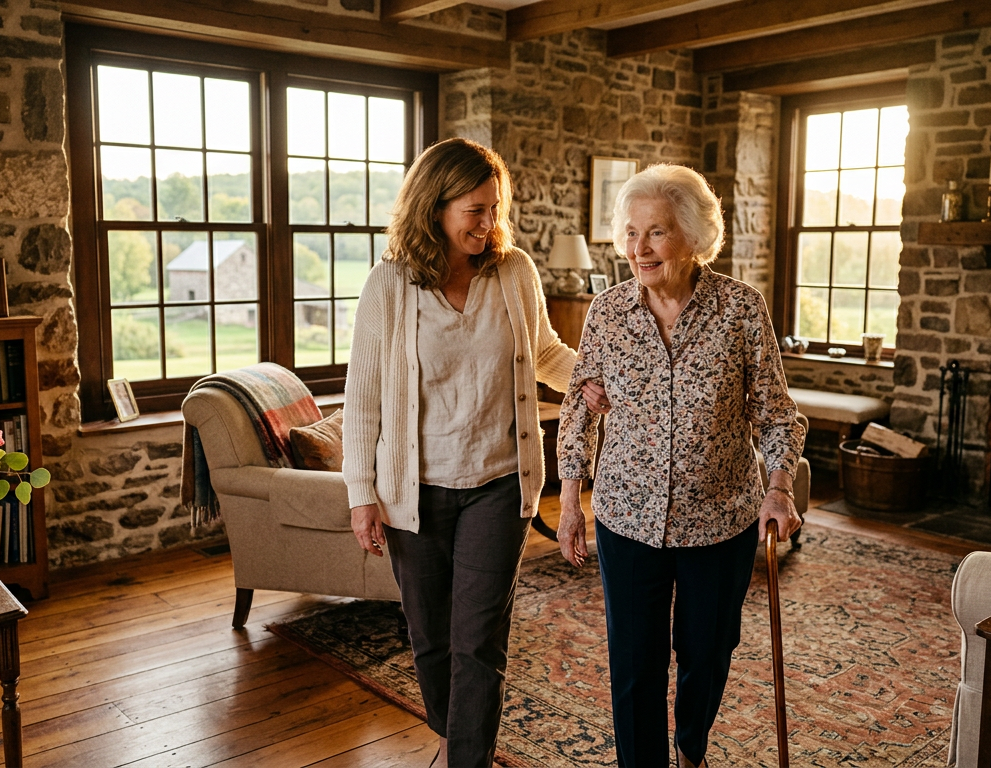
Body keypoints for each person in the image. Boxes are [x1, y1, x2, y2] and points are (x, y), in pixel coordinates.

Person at [343, 137, 604, 768]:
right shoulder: (390, 285)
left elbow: (545, 353)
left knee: (478, 642)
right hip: (417, 492)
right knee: (431, 640)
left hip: (500, 483)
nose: (488, 224)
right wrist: (362, 495)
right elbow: (364, 396)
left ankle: (468, 759)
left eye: (494, 209)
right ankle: (452, 732)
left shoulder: (513, 274)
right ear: (435, 207)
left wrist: (597, 382)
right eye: (474, 210)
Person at [555, 163, 805, 768]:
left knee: (708, 651)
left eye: (658, 232)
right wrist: (567, 503)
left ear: (693, 237)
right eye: (632, 232)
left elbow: (775, 414)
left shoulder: (740, 310)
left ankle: (691, 750)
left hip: (720, 519)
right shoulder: (608, 313)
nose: (639, 248)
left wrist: (779, 488)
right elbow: (578, 410)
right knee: (635, 661)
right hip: (627, 515)